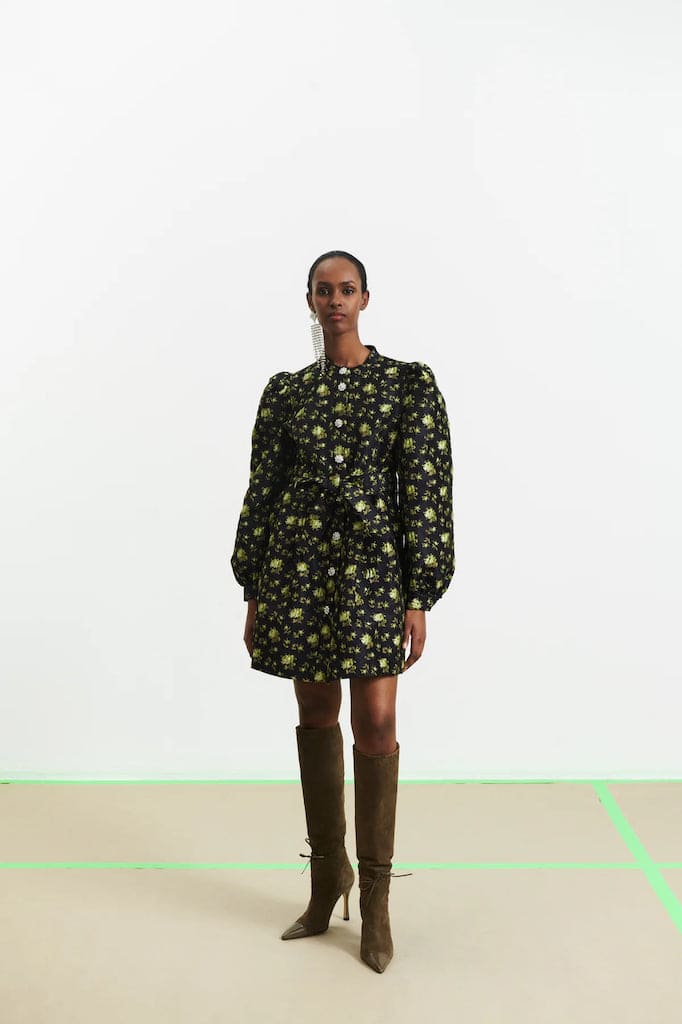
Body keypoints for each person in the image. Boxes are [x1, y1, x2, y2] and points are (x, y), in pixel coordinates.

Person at [230, 250, 455, 973]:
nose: (335, 300)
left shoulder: (407, 385)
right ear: (310, 300)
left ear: (365, 298)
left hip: (373, 573)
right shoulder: (286, 393)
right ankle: (328, 877)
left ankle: (378, 904)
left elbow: (426, 489)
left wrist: (419, 592)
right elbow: (264, 489)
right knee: (316, 714)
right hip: (297, 571)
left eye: (347, 289)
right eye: (323, 290)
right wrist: (253, 587)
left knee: (378, 721)